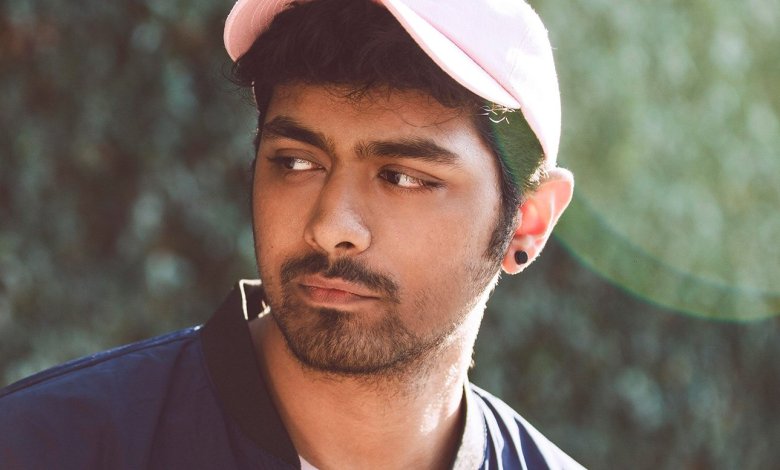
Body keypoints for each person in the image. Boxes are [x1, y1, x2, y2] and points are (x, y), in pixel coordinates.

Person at [0, 0, 581, 468]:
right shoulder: (39, 447)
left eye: (403, 177)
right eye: (298, 162)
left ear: (529, 219)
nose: (331, 227)